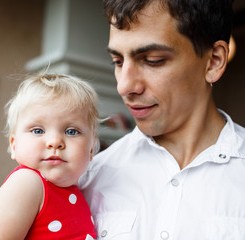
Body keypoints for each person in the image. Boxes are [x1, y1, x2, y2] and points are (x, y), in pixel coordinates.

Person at [78, 0, 245, 239]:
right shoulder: (91, 178)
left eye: (153, 60)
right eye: (118, 61)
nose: (124, 86)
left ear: (214, 61)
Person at [0, 74, 99, 240]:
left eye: (71, 131)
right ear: (14, 145)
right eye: (38, 130)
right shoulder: (28, 182)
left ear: (91, 149)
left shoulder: (78, 191)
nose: (55, 142)